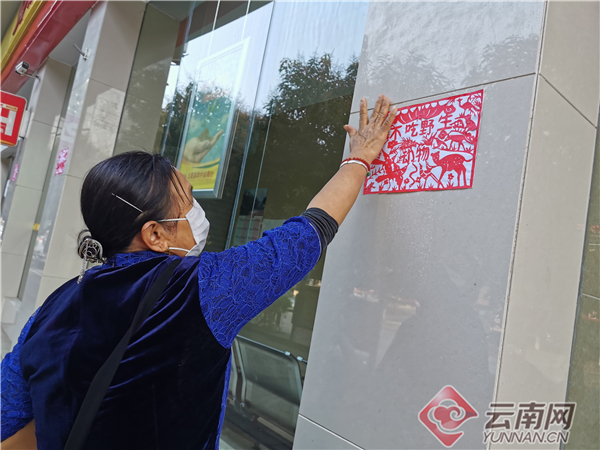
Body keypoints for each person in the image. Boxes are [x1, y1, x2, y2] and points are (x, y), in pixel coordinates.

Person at [1, 95, 396, 450]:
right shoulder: (201, 287)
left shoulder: (55, 304)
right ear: (155, 234)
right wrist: (359, 159)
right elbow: (305, 236)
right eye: (188, 202)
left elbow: (9, 415)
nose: (197, 212)